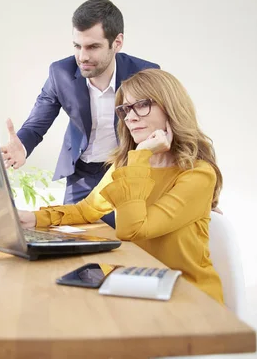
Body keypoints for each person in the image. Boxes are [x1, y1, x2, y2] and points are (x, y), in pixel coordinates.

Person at [17, 69, 224, 304]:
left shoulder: (198, 175)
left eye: (142, 105)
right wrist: (32, 219)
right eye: (126, 109)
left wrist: (141, 154)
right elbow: (87, 210)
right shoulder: (126, 165)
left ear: (171, 107)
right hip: (140, 285)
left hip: (188, 295)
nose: (130, 117)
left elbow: (132, 230)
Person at [0, 0, 159, 228]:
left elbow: (174, 127)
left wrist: (200, 194)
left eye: (93, 47)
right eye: (77, 46)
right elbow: (36, 124)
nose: (82, 56)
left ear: (117, 42)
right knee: (71, 240)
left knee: (127, 241)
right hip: (82, 173)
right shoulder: (61, 73)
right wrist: (22, 146)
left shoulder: (145, 73)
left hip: (127, 168)